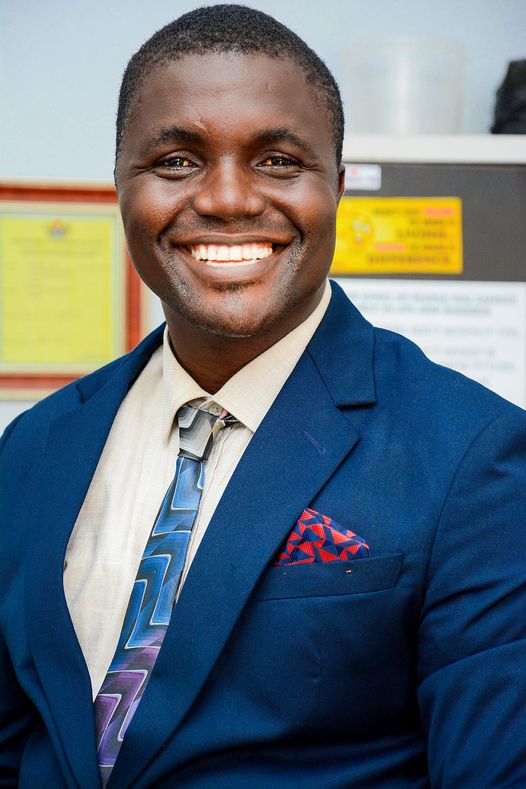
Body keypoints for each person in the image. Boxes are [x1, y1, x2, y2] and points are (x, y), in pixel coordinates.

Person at [1, 5, 526, 787]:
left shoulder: (473, 457)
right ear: (122, 187)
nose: (227, 199)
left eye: (278, 161)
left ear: (337, 189)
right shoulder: (35, 446)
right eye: (176, 160)